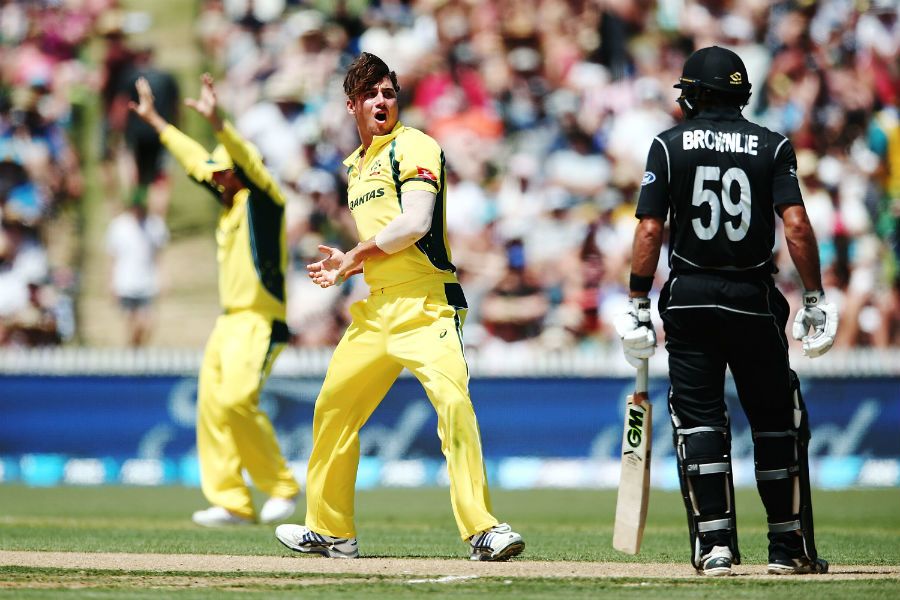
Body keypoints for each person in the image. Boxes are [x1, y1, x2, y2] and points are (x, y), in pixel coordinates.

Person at [274, 52, 524, 561]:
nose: (381, 101)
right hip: (376, 309)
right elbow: (384, 245)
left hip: (427, 306)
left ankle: (482, 529)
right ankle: (332, 531)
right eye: (370, 94)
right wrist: (350, 266)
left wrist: (354, 257)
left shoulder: (415, 146)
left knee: (453, 404)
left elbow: (414, 224)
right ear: (352, 105)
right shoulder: (354, 167)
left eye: (388, 92)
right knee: (333, 408)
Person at [615, 46, 838, 577]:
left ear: (696, 94)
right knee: (776, 423)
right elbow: (797, 224)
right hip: (752, 299)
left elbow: (650, 229)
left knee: (699, 423)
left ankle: (714, 545)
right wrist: (813, 297)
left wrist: (637, 302)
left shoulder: (668, 145)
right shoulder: (772, 144)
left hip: (690, 298)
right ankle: (788, 548)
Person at [129, 73, 300, 526]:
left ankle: (282, 486)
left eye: (225, 173)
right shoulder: (230, 201)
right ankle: (232, 502)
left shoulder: (266, 202)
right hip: (228, 322)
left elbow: (242, 159)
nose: (217, 179)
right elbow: (195, 161)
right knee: (211, 404)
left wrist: (219, 122)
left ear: (242, 172)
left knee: (238, 399)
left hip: (261, 320)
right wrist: (158, 123)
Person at [105, 188, 168, 347]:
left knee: (148, 322)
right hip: (126, 283)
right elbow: (113, 257)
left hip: (146, 282)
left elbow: (158, 255)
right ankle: (134, 352)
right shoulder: (119, 226)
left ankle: (136, 351)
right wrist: (111, 282)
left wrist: (162, 277)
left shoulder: (154, 225)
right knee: (132, 324)